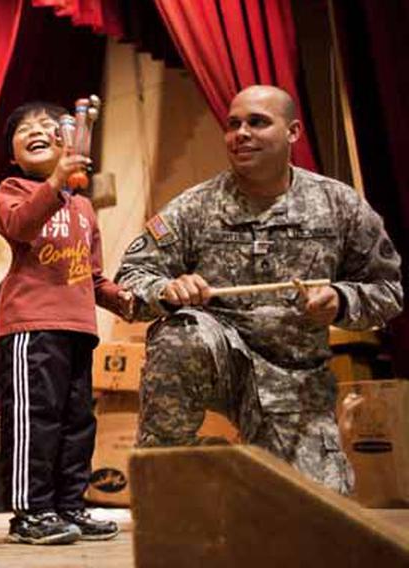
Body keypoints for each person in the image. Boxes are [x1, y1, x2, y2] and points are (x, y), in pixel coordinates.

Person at [115, 85, 403, 494]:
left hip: (294, 376)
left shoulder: (339, 205)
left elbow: (388, 288)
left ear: (293, 132)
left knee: (314, 510)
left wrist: (340, 301)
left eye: (257, 122)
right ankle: (170, 463)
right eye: (233, 124)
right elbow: (130, 279)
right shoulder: (195, 206)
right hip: (218, 359)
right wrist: (166, 289)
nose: (241, 133)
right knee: (179, 334)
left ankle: (236, 467)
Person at [0, 102, 131, 545]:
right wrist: (56, 181)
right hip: (29, 327)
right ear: (13, 155)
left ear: (67, 141)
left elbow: (92, 276)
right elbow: (19, 225)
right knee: (36, 420)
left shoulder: (85, 208)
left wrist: (122, 300)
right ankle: (30, 513)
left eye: (48, 126)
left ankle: (70, 505)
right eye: (24, 129)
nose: (35, 130)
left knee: (77, 423)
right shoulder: (10, 188)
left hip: (78, 329)